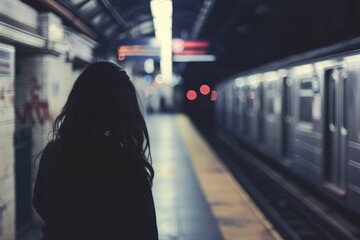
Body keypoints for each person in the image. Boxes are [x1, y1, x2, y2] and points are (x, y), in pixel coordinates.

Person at [33, 61, 158, 240]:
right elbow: (146, 232)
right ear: (123, 111)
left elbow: (40, 203)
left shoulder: (54, 153)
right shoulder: (128, 167)